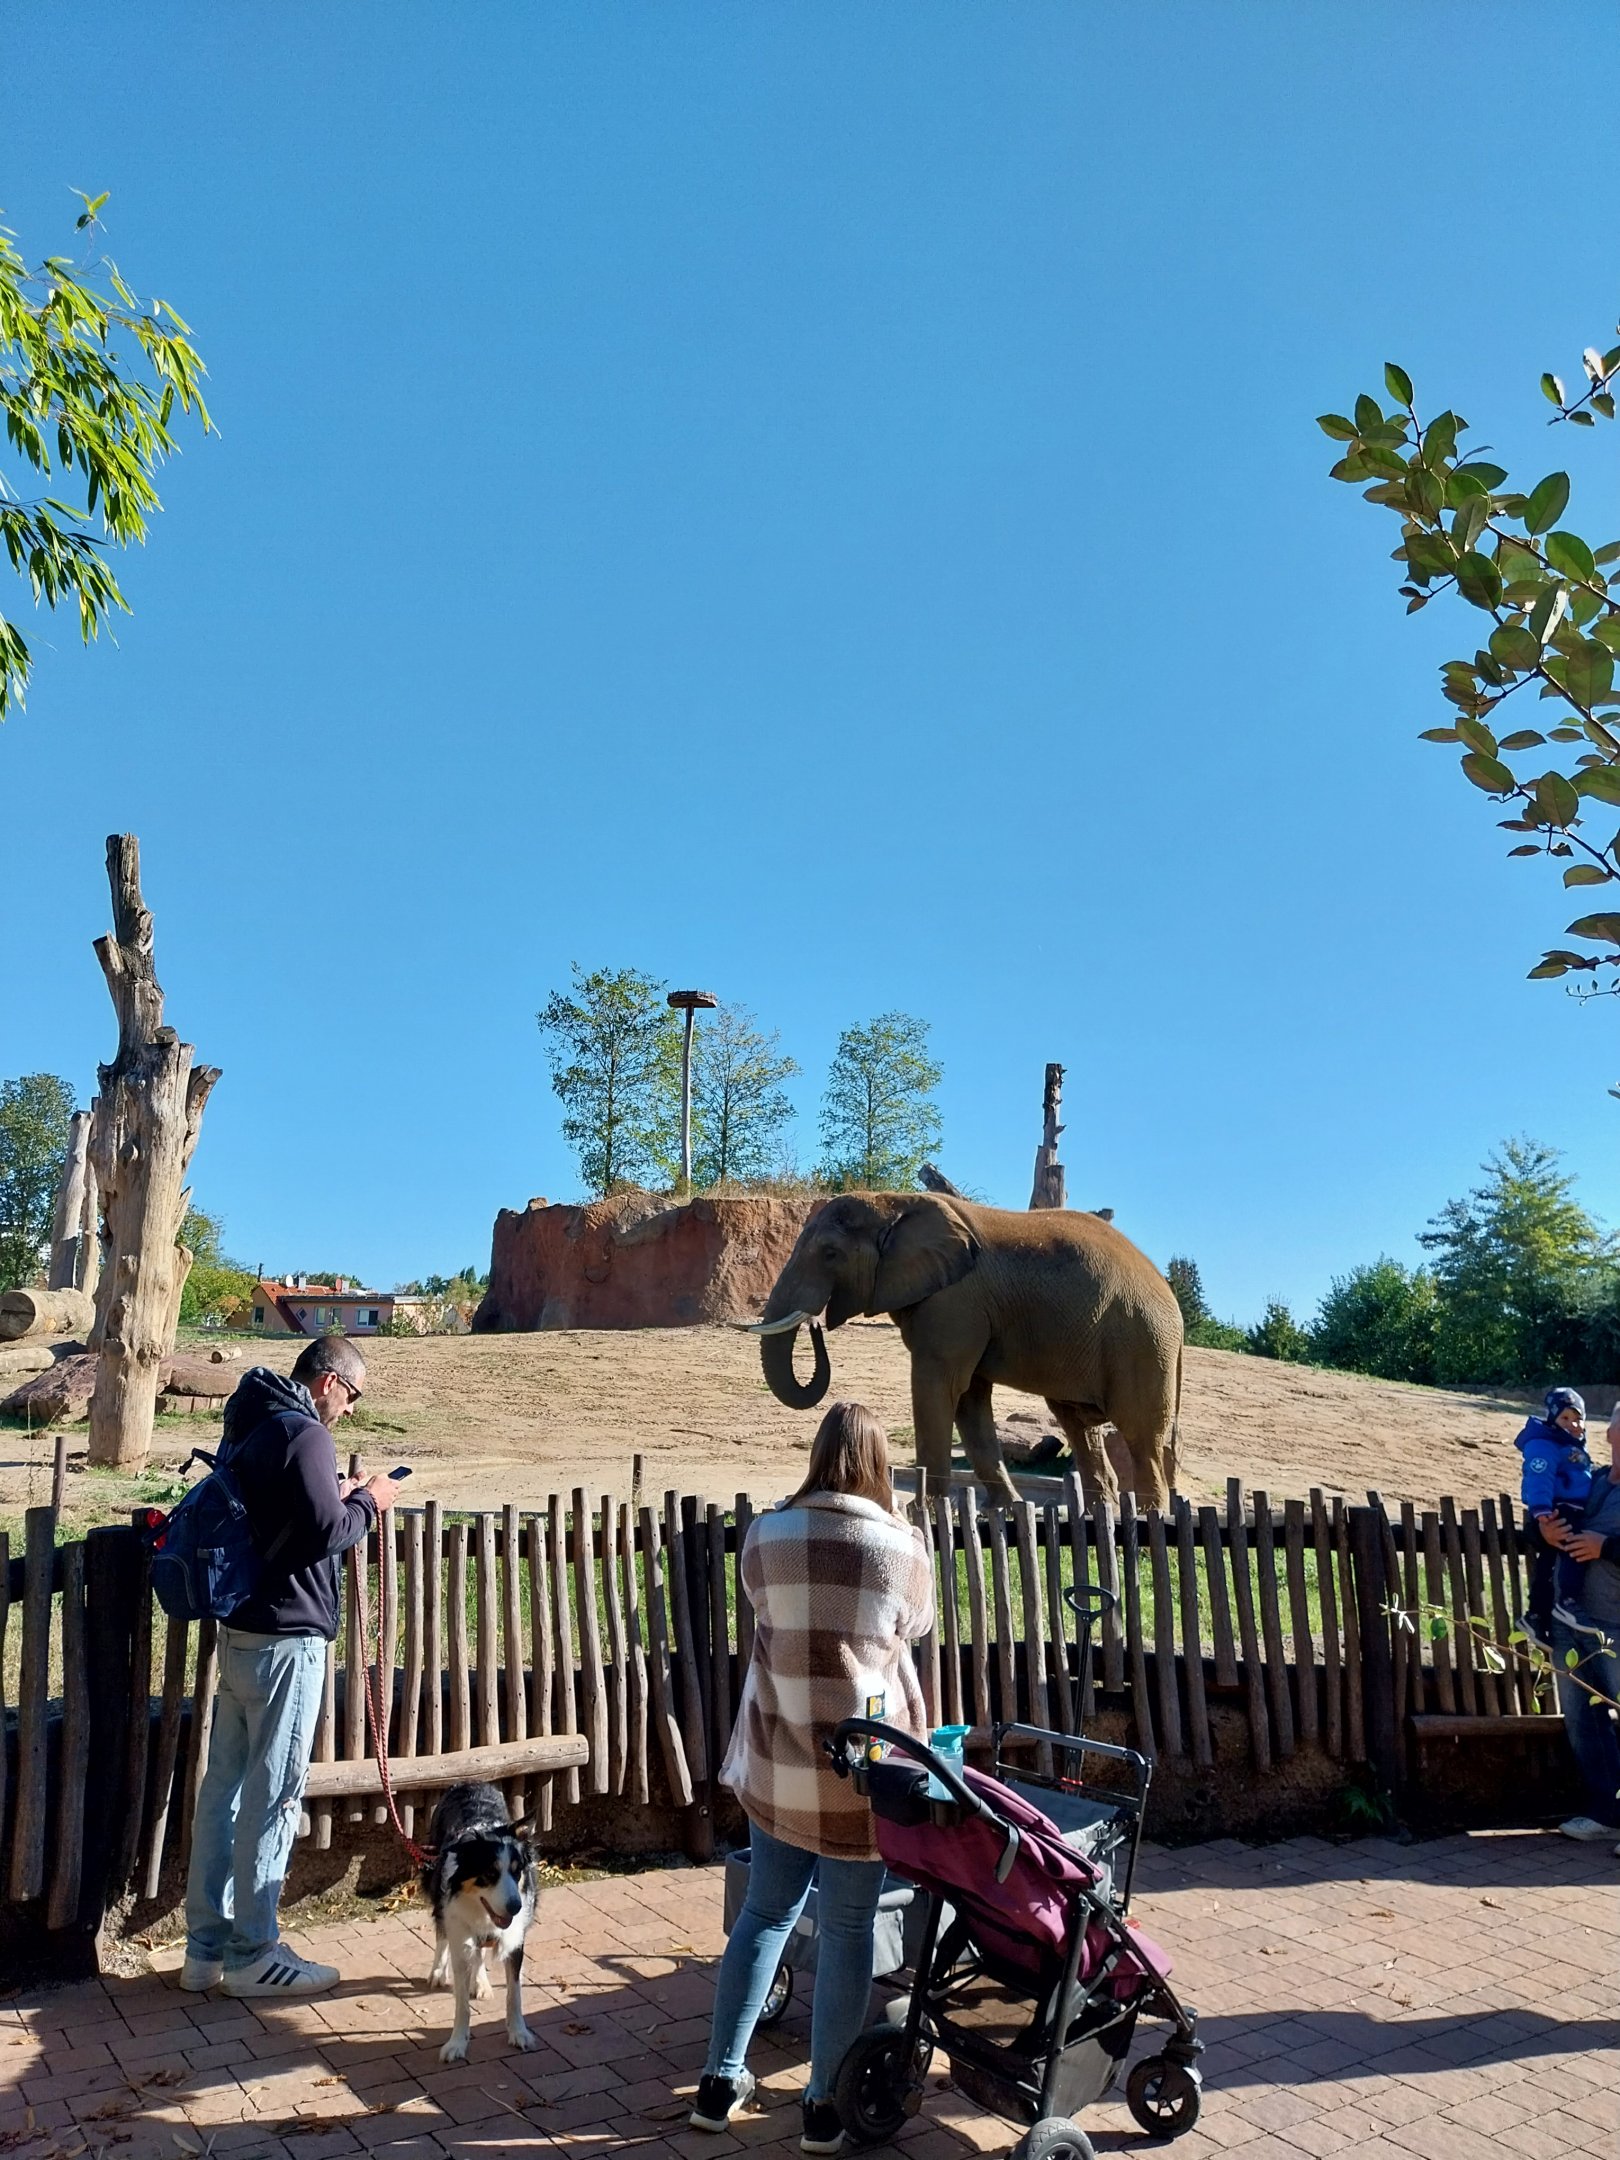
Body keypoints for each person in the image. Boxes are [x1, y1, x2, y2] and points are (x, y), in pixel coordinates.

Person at [690, 1403, 933, 2155]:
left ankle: (719, 2081)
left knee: (764, 1914)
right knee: (850, 1928)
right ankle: (823, 2106)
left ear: (818, 1452)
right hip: (863, 1771)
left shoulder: (765, 1535)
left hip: (780, 1762)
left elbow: (760, 1609)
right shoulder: (902, 1547)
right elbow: (915, 1630)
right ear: (878, 1464)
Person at [181, 1334, 400, 1997]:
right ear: (330, 1382)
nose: (351, 1412)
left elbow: (291, 1513)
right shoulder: (304, 1432)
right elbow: (326, 1533)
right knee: (272, 1794)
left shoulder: (252, 1422)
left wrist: (338, 1493)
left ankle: (204, 1949)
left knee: (223, 1791)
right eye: (353, 1396)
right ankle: (255, 1952)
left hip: (243, 1631)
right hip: (288, 1639)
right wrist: (371, 1500)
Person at [1543, 1400, 1620, 1852]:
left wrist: (1606, 1546)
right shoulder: (1587, 1479)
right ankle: (1607, 1814)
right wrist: (1544, 1532)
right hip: (1572, 1621)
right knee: (1583, 1719)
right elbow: (1547, 1519)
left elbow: (1600, 1543)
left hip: (1615, 1622)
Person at [1515, 1385, 1593, 1650]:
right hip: (1559, 1510)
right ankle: (1567, 1601)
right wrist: (1541, 1511)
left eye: (1578, 1418)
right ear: (1552, 1420)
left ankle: (1536, 1615)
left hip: (1570, 1508)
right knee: (1574, 1550)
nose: (1574, 1424)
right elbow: (1540, 1477)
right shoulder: (1545, 1445)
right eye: (1565, 1418)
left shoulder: (1571, 1446)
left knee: (1549, 1564)